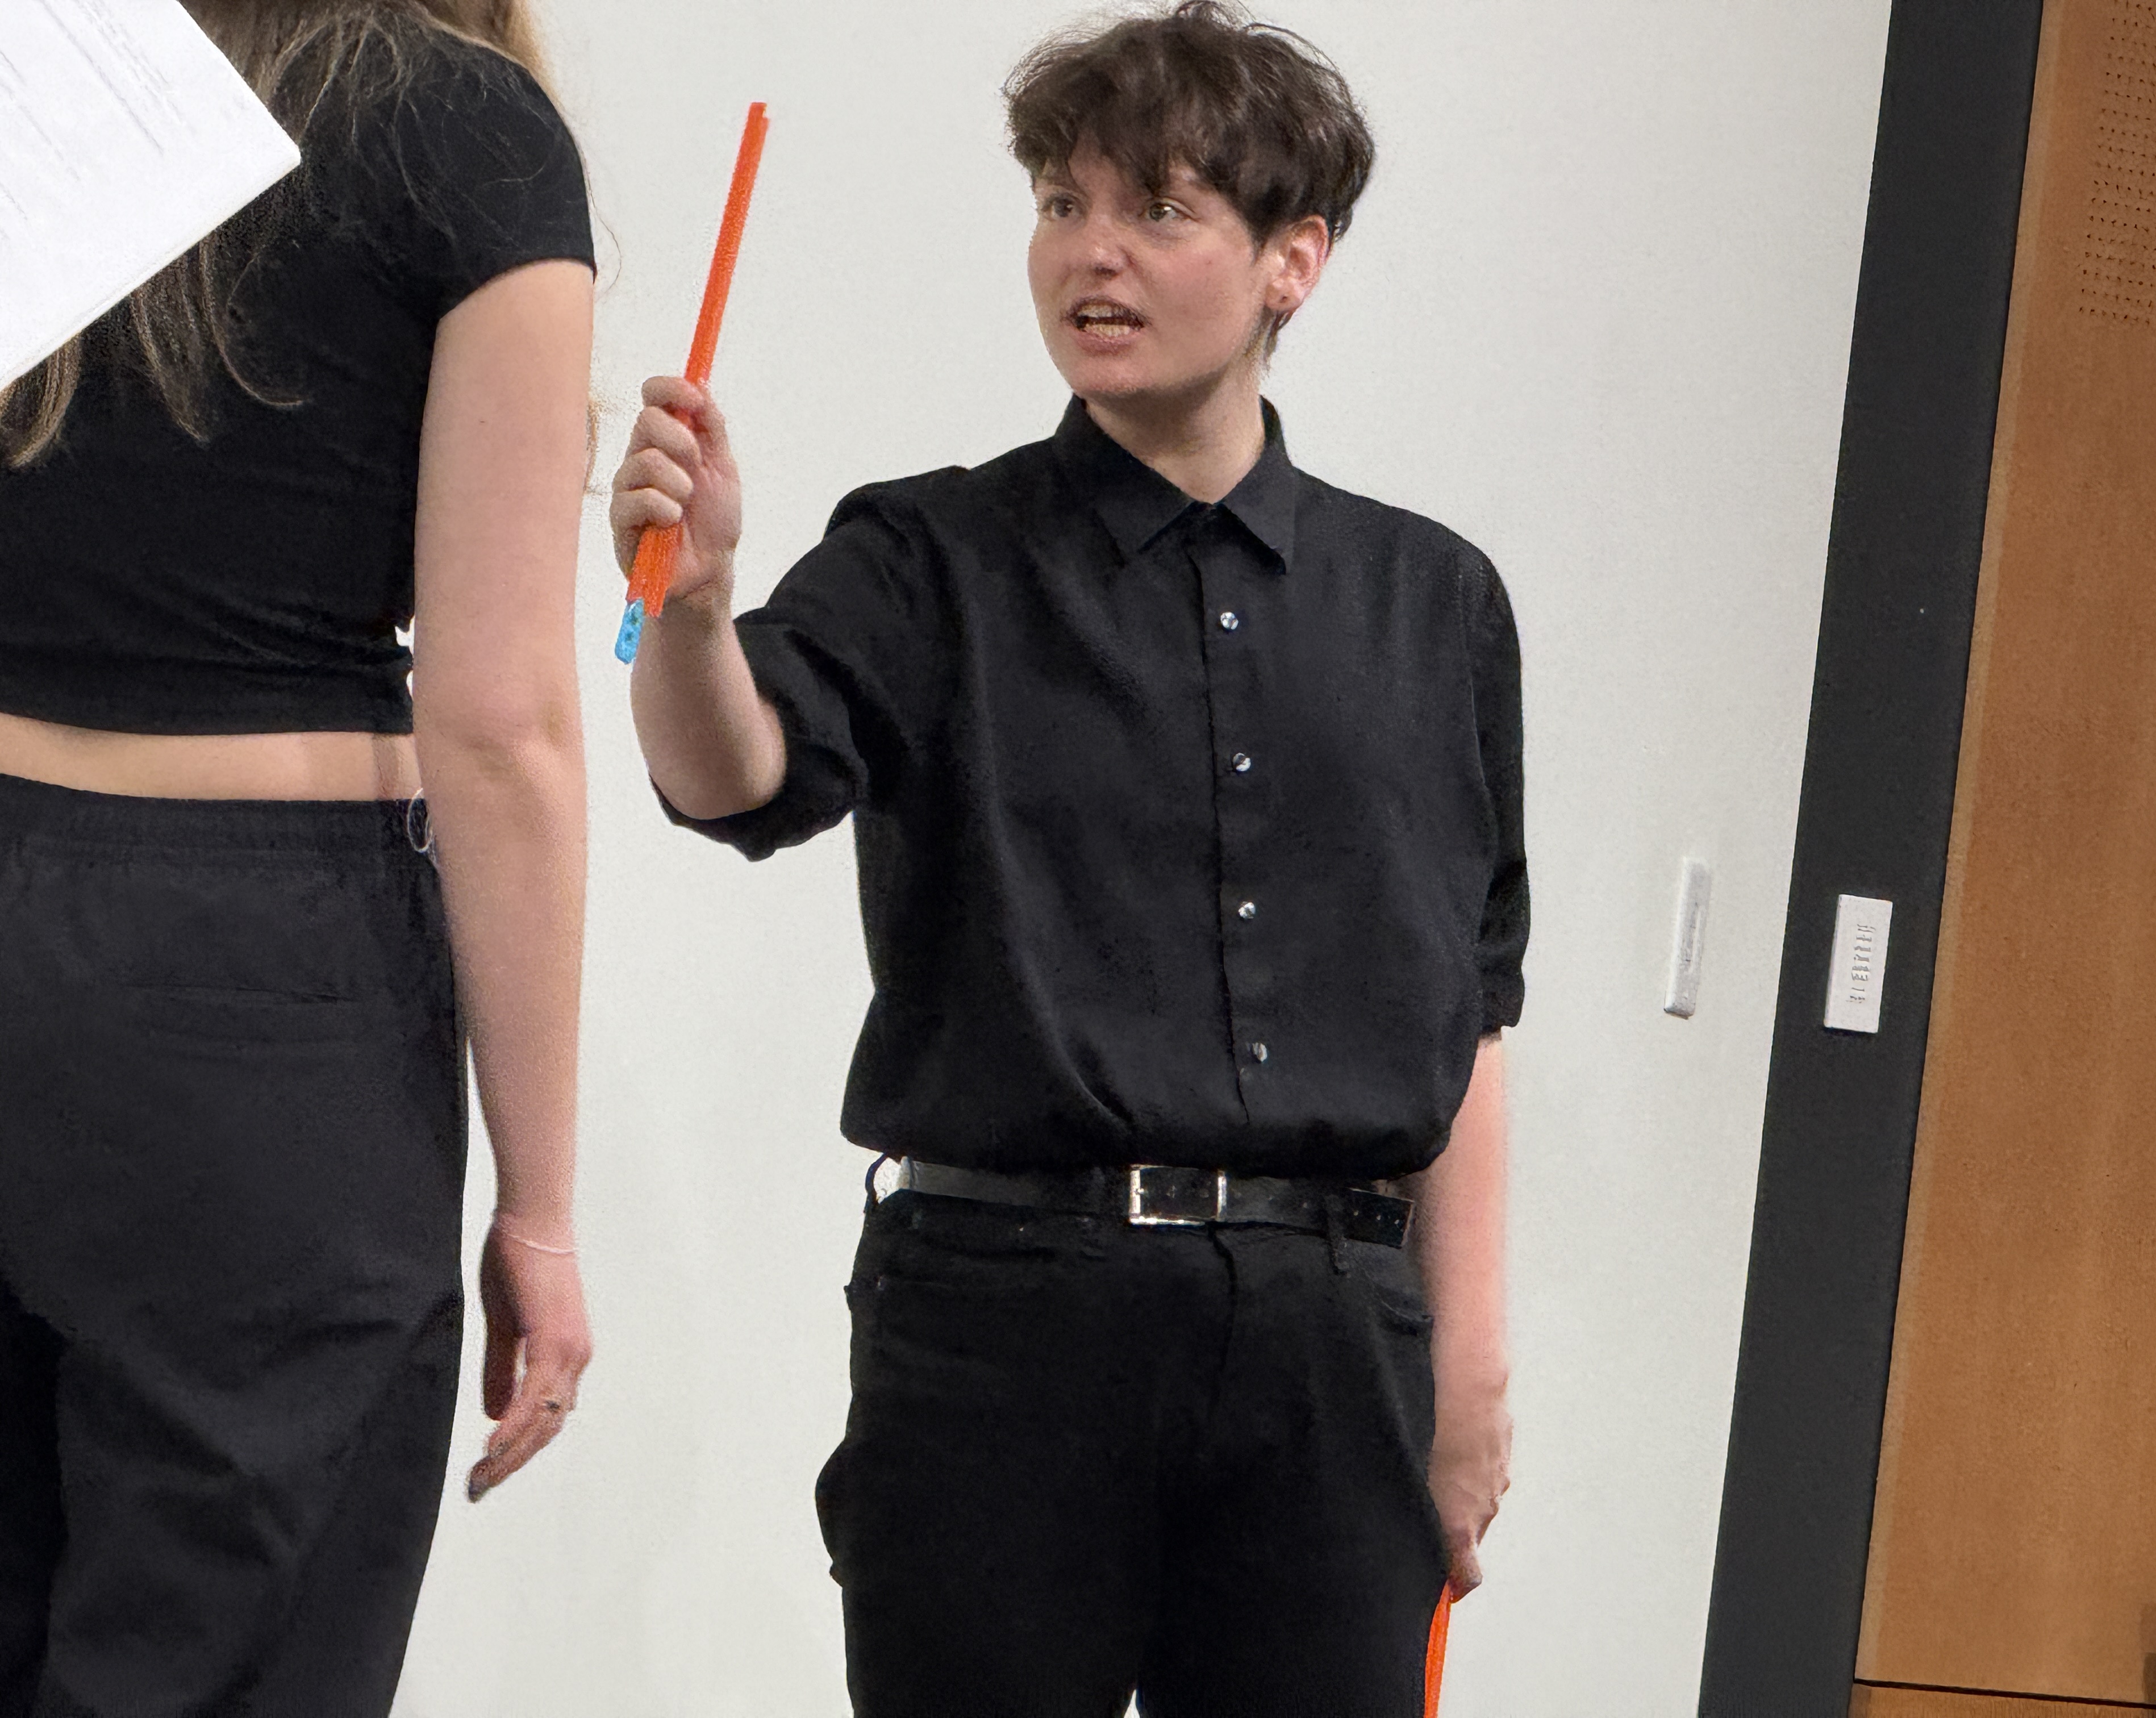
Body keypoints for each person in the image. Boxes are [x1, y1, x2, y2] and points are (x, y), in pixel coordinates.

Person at [616, 3, 1521, 1712]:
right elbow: (731, 777)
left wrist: (1467, 1373)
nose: (1088, 257)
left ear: (1292, 262)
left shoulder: (1438, 605)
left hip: (1334, 1340)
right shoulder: (928, 554)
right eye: (1057, 202)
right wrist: (698, 605)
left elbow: (1470, 1002)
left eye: (1159, 211)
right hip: (1008, 1320)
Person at [0, 2, 594, 1712]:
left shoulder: (49, 84)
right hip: (247, 982)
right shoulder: (461, 131)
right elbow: (502, 724)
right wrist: (540, 1209)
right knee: (237, 1647)